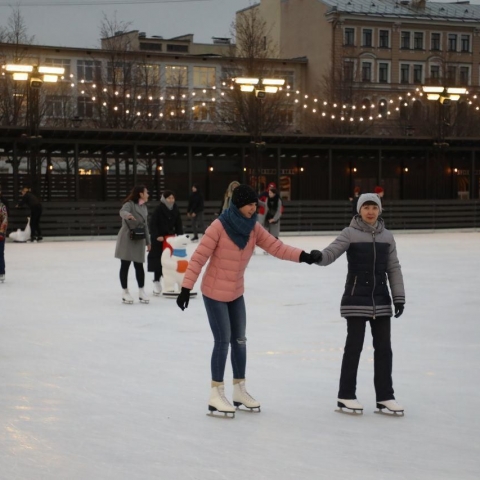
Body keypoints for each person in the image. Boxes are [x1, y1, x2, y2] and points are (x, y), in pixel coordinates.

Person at [175, 184, 318, 417]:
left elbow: (276, 247)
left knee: (240, 340)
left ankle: (239, 390)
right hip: (214, 293)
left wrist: (304, 257)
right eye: (251, 204)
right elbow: (199, 257)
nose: (255, 208)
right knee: (222, 341)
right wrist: (185, 288)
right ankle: (215, 393)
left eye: (255, 204)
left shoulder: (253, 228)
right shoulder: (219, 226)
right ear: (239, 204)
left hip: (235, 292)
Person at [311, 193, 405, 415]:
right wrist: (318, 256)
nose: (370, 211)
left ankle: (385, 397)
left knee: (384, 350)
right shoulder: (350, 233)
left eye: (374, 207)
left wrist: (398, 296)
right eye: (366, 207)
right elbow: (331, 253)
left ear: (379, 210)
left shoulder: (387, 237)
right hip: (355, 299)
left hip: (381, 300)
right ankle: (346, 395)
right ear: (359, 210)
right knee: (353, 348)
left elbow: (394, 268)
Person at [114, 185, 151, 304]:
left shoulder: (144, 207)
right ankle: (125, 291)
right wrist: (128, 215)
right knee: (125, 264)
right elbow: (122, 211)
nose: (148, 194)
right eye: (146, 192)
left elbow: (145, 226)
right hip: (127, 237)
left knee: (139, 265)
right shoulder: (130, 204)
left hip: (139, 237)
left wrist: (148, 242)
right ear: (141, 194)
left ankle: (141, 291)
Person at [147, 190, 183, 296]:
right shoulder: (158, 209)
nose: (171, 200)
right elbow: (153, 224)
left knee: (171, 261)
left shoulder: (175, 209)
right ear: (164, 199)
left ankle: (170, 282)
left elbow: (179, 224)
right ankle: (157, 281)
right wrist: (157, 235)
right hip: (159, 239)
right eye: (169, 198)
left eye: (172, 198)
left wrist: (180, 236)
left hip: (171, 240)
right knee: (159, 261)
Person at [0, 197, 7, 283]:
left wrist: (1, 232)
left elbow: (5, 219)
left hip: (0, 233)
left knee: (0, 253)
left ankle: (1, 272)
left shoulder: (2, 206)